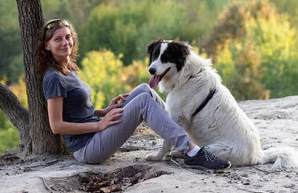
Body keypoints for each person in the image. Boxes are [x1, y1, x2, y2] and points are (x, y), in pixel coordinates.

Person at [36, 18, 231, 170]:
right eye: (58, 39)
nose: (65, 42)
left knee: (144, 89)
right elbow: (56, 125)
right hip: (87, 149)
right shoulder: (53, 78)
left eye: (68, 37)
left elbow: (76, 111)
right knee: (144, 101)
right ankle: (190, 150)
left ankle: (180, 137)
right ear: (47, 46)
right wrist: (99, 124)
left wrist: (104, 112)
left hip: (97, 131)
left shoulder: (68, 69)